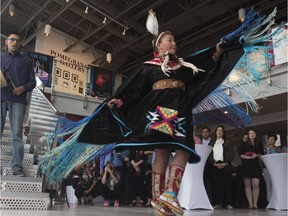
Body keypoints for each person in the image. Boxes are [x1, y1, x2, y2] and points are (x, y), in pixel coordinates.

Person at [0, 32, 36, 177]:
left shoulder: (27, 61)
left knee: (17, 135)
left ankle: (17, 167)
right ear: (6, 42)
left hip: (18, 100)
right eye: (12, 40)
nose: (15, 42)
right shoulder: (0, 58)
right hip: (1, 97)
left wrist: (23, 88)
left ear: (20, 44)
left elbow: (32, 82)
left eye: (17, 41)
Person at [208, 125, 234, 209]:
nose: (219, 132)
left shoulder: (227, 141)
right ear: (215, 132)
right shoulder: (211, 142)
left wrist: (226, 163)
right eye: (218, 130)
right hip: (214, 165)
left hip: (225, 165)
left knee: (227, 185)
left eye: (221, 130)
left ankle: (228, 203)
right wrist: (214, 164)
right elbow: (208, 155)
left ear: (223, 133)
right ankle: (217, 203)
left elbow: (231, 154)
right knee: (216, 185)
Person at [239, 129, 264, 209]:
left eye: (253, 133)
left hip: (255, 165)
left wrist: (256, 155)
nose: (252, 134)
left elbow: (262, 154)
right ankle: (250, 204)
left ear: (255, 135)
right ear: (248, 135)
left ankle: (255, 203)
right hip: (246, 165)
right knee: (247, 185)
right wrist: (249, 157)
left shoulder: (259, 144)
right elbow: (241, 155)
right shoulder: (243, 144)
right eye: (250, 133)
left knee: (256, 184)